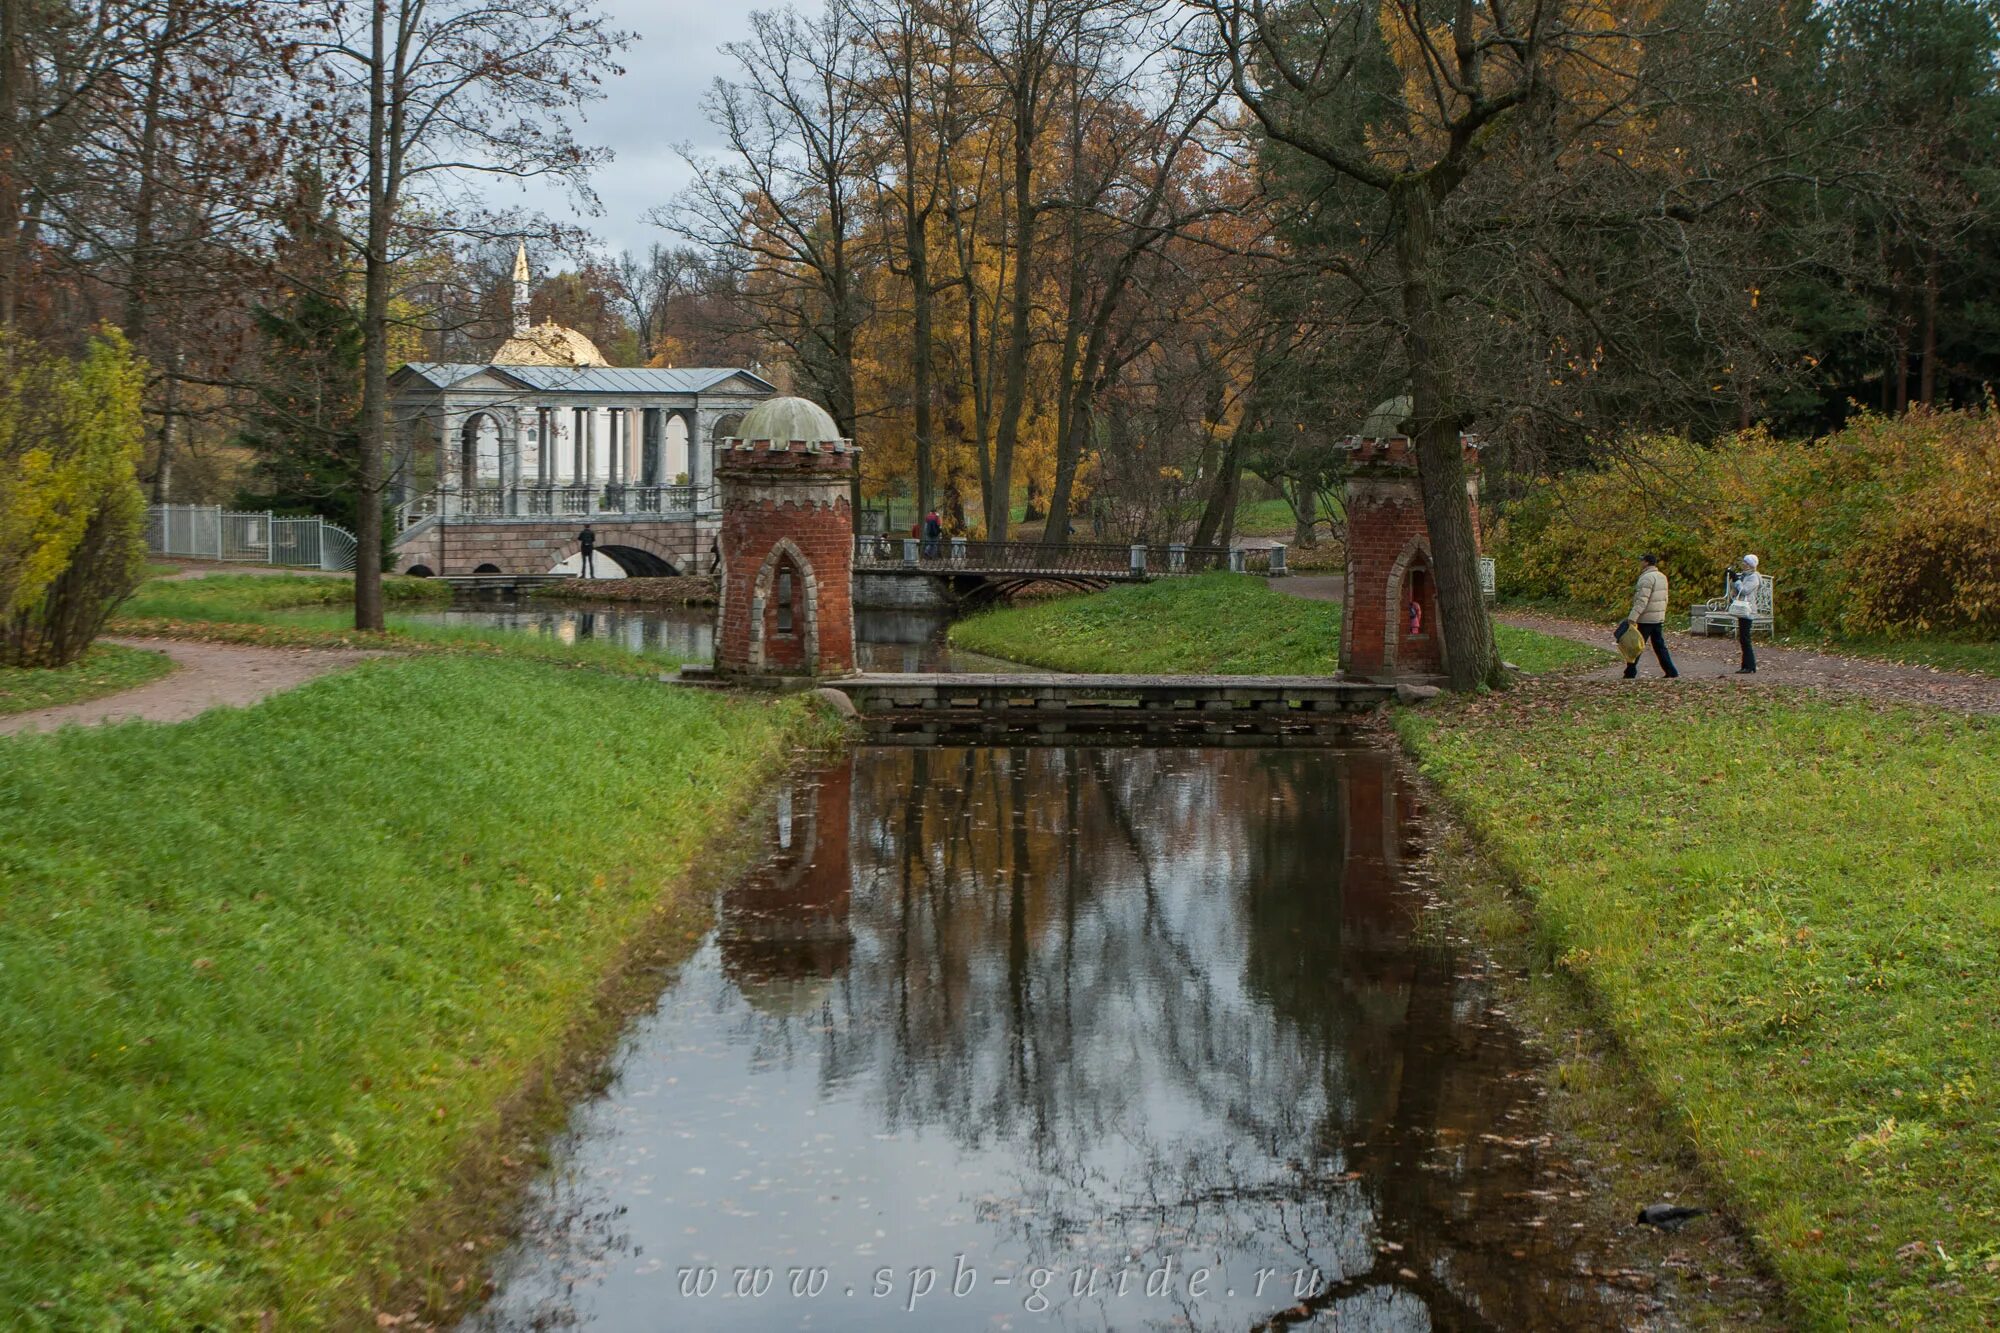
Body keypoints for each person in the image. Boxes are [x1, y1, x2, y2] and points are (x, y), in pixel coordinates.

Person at [1619, 553, 1678, 679]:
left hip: (1646, 618)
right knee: (1659, 645)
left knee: (1635, 646)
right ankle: (1671, 671)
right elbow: (1664, 598)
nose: (1640, 563)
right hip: (1657, 618)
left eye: (1642, 561)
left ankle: (1630, 672)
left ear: (1646, 562)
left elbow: (1642, 600)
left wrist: (1633, 617)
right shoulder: (1662, 576)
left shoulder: (1646, 578)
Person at [1727, 553, 1762, 674]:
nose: (1743, 564)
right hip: (1742, 610)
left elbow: (1745, 590)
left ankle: (1749, 666)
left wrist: (1736, 580)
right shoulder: (1745, 576)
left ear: (1750, 565)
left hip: (1748, 610)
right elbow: (1737, 590)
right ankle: (1746, 665)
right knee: (1743, 638)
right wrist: (1733, 578)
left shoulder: (1754, 577)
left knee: (1745, 638)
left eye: (1745, 562)